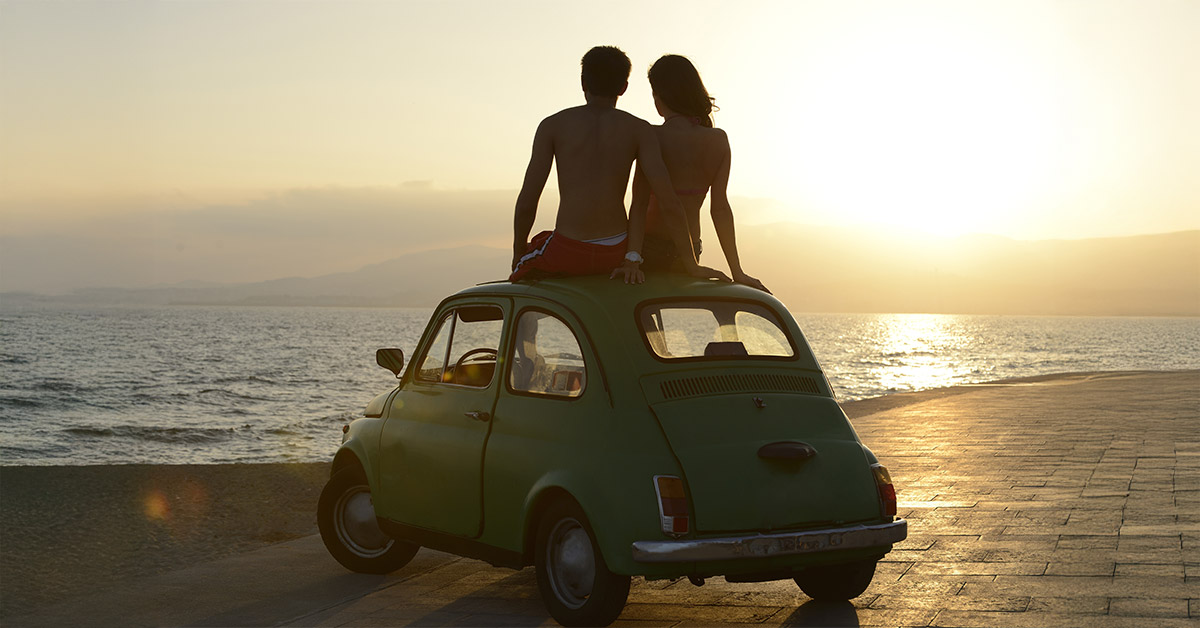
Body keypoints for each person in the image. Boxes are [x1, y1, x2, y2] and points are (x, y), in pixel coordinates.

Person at [510, 46, 728, 284]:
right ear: (624, 87)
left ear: (583, 83)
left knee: (522, 271)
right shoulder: (639, 130)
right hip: (616, 251)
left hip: (569, 249)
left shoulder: (552, 126)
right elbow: (669, 201)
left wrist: (517, 251)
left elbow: (527, 204)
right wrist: (690, 264)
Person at [622, 54, 769, 292]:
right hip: (689, 253)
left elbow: (638, 205)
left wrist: (632, 259)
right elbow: (720, 209)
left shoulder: (652, 137)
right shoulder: (718, 140)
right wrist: (737, 271)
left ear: (659, 97)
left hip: (648, 251)